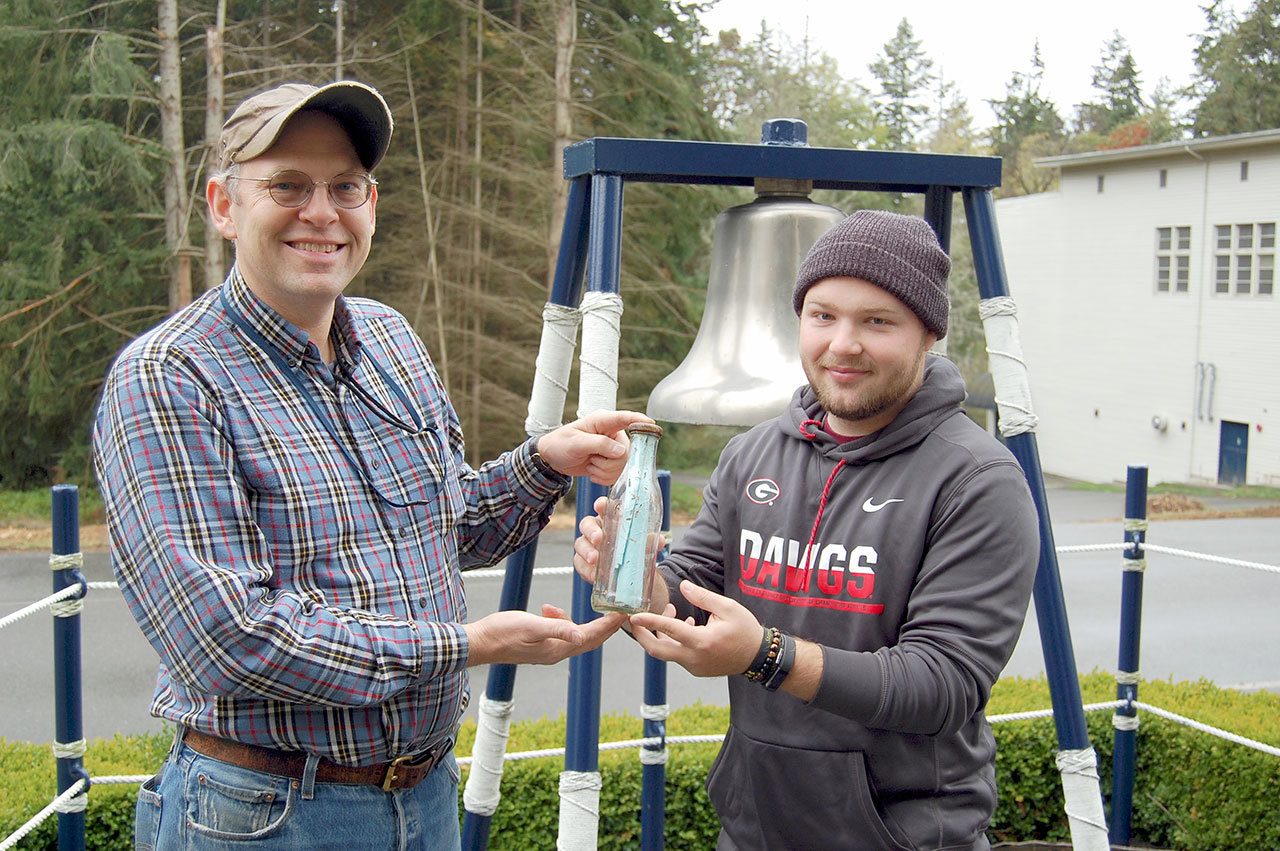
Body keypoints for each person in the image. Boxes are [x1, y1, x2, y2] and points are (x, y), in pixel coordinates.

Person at [93, 80, 646, 850]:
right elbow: (227, 637)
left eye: (345, 186)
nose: (321, 211)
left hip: (425, 798)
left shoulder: (388, 339)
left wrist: (543, 462)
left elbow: (444, 526)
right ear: (223, 206)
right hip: (266, 814)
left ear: (372, 205)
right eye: (286, 184)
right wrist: (467, 644)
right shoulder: (168, 376)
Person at [574, 210, 1040, 850]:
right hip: (754, 831)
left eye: (877, 321)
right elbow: (693, 592)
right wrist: (643, 583)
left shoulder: (978, 480)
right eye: (823, 315)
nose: (842, 343)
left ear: (928, 333)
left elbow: (940, 684)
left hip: (900, 838)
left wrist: (765, 656)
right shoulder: (753, 454)